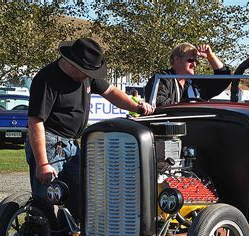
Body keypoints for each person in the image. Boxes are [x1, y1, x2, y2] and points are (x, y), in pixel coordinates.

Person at [26, 38, 154, 221]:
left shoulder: (86, 75)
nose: (89, 76)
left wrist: (137, 107)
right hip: (49, 143)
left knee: (81, 195)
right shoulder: (46, 80)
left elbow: (110, 92)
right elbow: (35, 123)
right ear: (72, 64)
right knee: (46, 200)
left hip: (71, 144)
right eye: (86, 72)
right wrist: (42, 163)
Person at [144, 43, 231, 107]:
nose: (194, 65)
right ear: (177, 59)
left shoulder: (196, 83)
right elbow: (157, 101)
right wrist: (189, 107)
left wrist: (210, 56)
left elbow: (224, 80)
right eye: (190, 60)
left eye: (196, 61)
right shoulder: (162, 78)